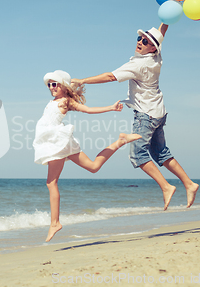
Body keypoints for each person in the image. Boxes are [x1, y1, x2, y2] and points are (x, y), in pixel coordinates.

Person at [71, 24, 199, 211]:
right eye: (139, 38)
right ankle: (189, 183)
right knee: (161, 152)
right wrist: (171, 7)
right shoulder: (156, 56)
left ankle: (166, 186)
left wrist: (83, 80)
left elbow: (110, 76)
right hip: (159, 112)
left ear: (152, 47)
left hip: (146, 115)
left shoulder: (138, 64)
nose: (140, 42)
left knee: (137, 155)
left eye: (145, 41)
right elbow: (162, 32)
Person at [33, 70, 141, 242]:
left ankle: (55, 223)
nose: (51, 87)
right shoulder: (54, 101)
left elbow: (88, 110)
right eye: (49, 84)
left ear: (63, 86)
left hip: (57, 142)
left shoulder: (66, 101)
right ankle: (120, 142)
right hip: (58, 142)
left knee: (51, 183)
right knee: (93, 167)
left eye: (55, 84)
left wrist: (111, 108)